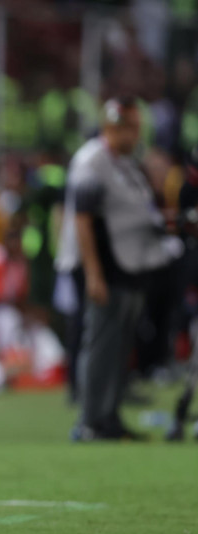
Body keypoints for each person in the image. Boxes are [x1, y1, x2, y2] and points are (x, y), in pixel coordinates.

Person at [60, 97, 183, 441]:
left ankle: (109, 416)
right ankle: (90, 420)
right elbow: (83, 219)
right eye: (131, 128)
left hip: (125, 265)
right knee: (101, 343)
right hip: (101, 266)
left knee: (119, 344)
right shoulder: (92, 161)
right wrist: (94, 274)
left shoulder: (123, 162)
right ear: (114, 127)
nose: (137, 134)